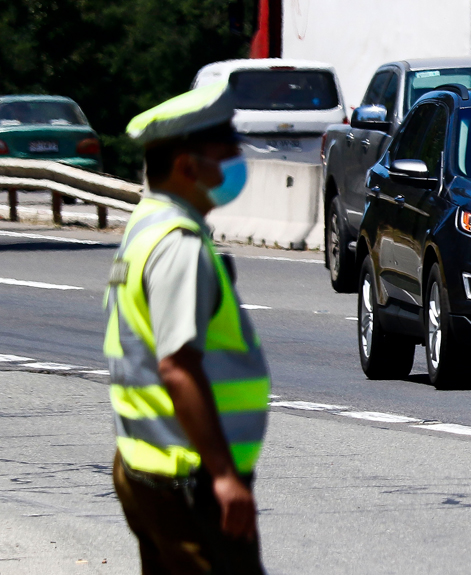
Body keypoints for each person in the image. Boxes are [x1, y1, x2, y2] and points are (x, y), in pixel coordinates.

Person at [104, 81, 269, 575]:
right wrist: (223, 475)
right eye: (225, 154)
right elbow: (177, 366)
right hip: (187, 477)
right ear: (186, 166)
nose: (235, 164)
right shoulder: (178, 245)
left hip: (145, 465)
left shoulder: (145, 225)